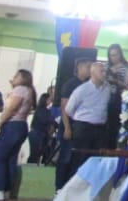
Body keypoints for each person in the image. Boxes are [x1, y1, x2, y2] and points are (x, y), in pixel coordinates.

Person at [0, 69, 35, 201]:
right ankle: (7, 190)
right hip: (20, 126)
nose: (13, 78)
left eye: (16, 76)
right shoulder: (28, 90)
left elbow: (11, 108)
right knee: (10, 158)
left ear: (23, 78)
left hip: (12, 126)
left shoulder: (20, 89)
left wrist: (0, 123)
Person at [63, 61, 109, 175]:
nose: (104, 73)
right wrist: (80, 118)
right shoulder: (82, 89)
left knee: (95, 159)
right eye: (101, 71)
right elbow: (69, 109)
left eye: (105, 71)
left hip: (100, 129)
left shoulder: (107, 88)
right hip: (83, 128)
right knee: (80, 159)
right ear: (92, 73)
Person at [54, 57, 91, 190]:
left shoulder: (90, 85)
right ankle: (59, 188)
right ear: (80, 68)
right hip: (69, 127)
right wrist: (67, 128)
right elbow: (64, 108)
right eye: (88, 67)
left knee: (78, 161)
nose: (90, 70)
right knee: (65, 159)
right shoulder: (70, 84)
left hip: (82, 130)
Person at [103, 44, 128, 148]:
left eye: (115, 55)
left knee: (114, 125)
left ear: (120, 54)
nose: (113, 57)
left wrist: (116, 81)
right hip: (105, 96)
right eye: (111, 55)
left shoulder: (126, 67)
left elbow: (126, 84)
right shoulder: (106, 66)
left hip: (118, 98)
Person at [26, 86, 56, 166]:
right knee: (34, 153)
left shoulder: (45, 110)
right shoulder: (41, 110)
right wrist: (53, 121)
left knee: (39, 153)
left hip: (41, 134)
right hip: (37, 134)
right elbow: (45, 120)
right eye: (49, 99)